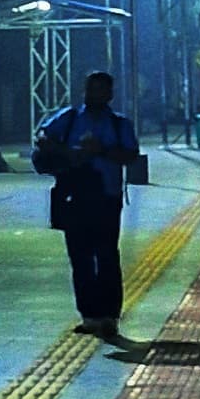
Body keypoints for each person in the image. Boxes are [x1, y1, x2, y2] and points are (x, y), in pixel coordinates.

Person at [33, 68, 139, 330]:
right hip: (75, 196)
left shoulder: (119, 123)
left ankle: (109, 315)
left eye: (102, 90)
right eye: (92, 89)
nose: (96, 95)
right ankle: (89, 315)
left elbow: (130, 156)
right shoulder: (69, 118)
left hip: (106, 196)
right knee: (79, 258)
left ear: (110, 94)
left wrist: (100, 150)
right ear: (85, 90)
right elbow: (43, 135)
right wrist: (66, 151)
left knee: (106, 256)